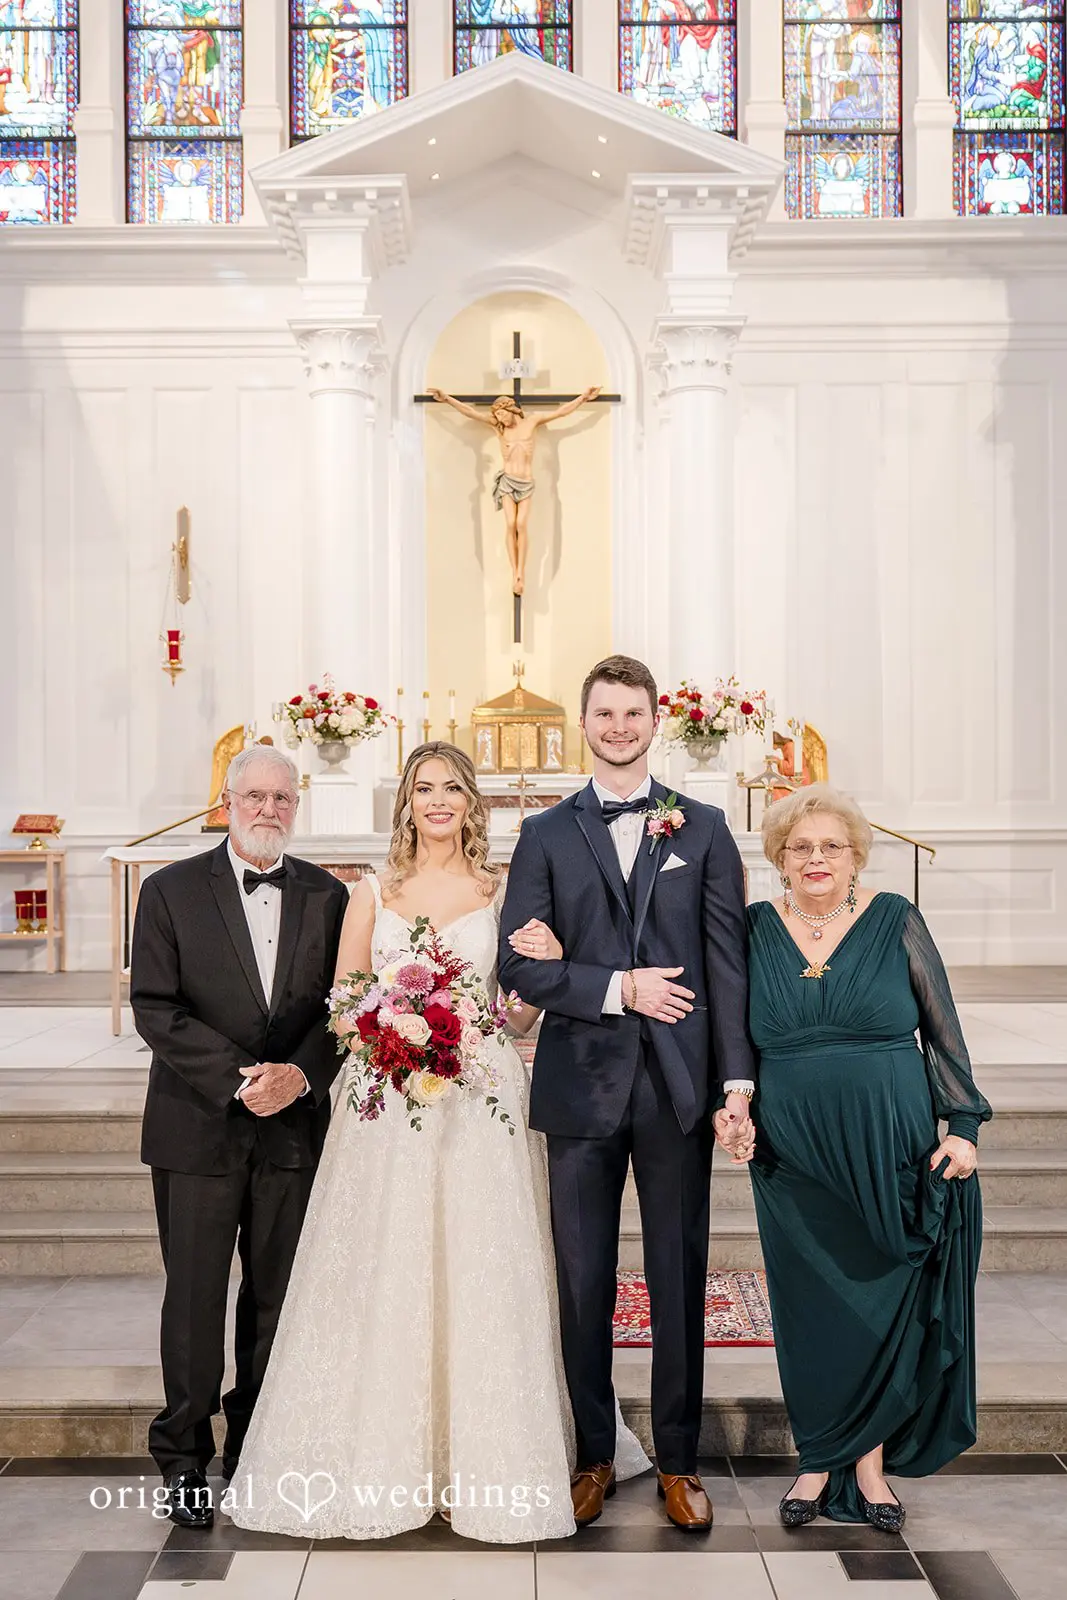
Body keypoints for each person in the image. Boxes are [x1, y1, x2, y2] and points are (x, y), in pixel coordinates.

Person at [230, 743, 650, 1543]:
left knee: (480, 1267)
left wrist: (532, 988)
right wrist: (391, 1023)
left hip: (480, 1094)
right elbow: (345, 1000)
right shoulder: (369, 893)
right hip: (387, 1098)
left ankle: (488, 1464)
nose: (437, 801)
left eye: (451, 788)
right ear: (406, 803)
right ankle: (383, 1459)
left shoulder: (500, 892)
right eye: (423, 789)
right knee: (388, 1266)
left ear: (470, 802)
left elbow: (518, 1010)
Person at [499, 655, 756, 1533]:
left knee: (679, 1274)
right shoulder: (542, 835)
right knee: (582, 1284)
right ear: (585, 723)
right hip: (580, 1088)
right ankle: (593, 1454)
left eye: (632, 713)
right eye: (603, 712)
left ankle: (680, 1462)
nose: (618, 726)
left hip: (678, 1089)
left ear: (654, 722)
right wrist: (617, 988)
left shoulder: (704, 829)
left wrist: (735, 1083)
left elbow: (727, 963)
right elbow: (517, 963)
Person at [742, 784, 991, 1530]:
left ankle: (869, 1466)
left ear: (856, 856)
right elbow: (731, 1038)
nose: (815, 858)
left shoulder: (893, 920)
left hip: (890, 1142)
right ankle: (817, 1458)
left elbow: (941, 1030)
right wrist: (734, 1107)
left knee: (881, 1303)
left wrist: (962, 1126)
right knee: (809, 1305)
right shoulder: (752, 927)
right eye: (799, 846)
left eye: (831, 846)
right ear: (778, 859)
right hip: (792, 1155)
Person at [131, 745, 348, 1529]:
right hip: (196, 1125)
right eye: (253, 796)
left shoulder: (329, 895)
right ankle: (183, 1456)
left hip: (291, 1126)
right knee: (193, 1297)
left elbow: (344, 1010)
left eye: (281, 799)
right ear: (226, 802)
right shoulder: (169, 891)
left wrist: (298, 1075)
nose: (267, 810)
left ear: (297, 806)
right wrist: (238, 1077)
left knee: (275, 1297)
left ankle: (256, 1442)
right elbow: (155, 1006)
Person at [426, 384, 601, 595]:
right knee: (510, 524)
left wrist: (583, 398)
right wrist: (446, 398)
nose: (500, 419)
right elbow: (470, 412)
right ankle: (515, 574)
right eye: (497, 416)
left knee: (521, 524)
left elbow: (560, 412)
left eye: (501, 413)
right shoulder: (499, 428)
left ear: (511, 409)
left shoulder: (531, 423)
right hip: (508, 481)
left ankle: (522, 571)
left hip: (526, 482)